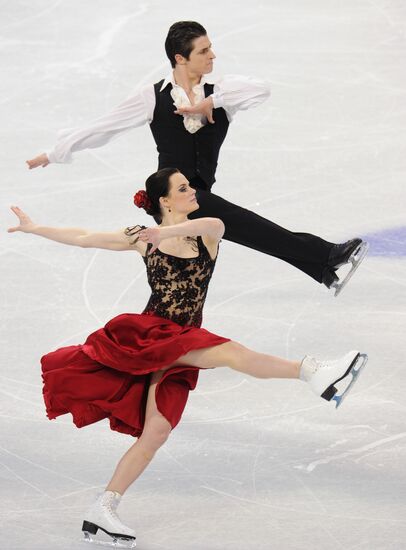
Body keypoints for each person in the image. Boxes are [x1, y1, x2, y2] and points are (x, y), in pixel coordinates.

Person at [8, 168, 367, 547]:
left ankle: (102, 507)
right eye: (182, 188)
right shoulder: (141, 239)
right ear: (164, 200)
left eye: (189, 185)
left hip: (181, 340)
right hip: (152, 336)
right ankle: (314, 372)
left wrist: (165, 232)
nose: (192, 191)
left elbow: (217, 222)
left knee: (156, 431)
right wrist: (35, 228)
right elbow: (84, 238)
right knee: (230, 353)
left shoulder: (204, 235)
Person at [26, 21, 368, 297]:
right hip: (172, 194)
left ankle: (321, 269)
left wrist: (213, 103)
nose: (212, 56)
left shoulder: (221, 92)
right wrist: (56, 153)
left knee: (249, 230)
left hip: (196, 193)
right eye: (203, 51)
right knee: (249, 224)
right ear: (180, 58)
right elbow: (106, 126)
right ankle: (326, 256)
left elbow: (262, 89)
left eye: (210, 48)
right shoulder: (152, 96)